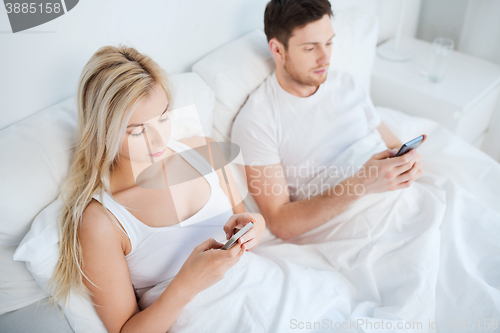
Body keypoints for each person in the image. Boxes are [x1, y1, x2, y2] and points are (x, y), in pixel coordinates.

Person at [45, 45, 268, 333]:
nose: (159, 138)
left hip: (269, 289)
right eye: (137, 131)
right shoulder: (102, 221)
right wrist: (186, 284)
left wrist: (256, 226)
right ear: (104, 131)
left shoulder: (205, 150)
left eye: (163, 117)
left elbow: (246, 222)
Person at [231, 0, 427, 241]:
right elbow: (280, 222)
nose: (325, 58)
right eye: (310, 48)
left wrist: (408, 164)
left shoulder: (347, 83)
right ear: (278, 49)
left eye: (329, 42)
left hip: (405, 200)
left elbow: (392, 143)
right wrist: (362, 183)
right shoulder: (257, 120)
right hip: (359, 227)